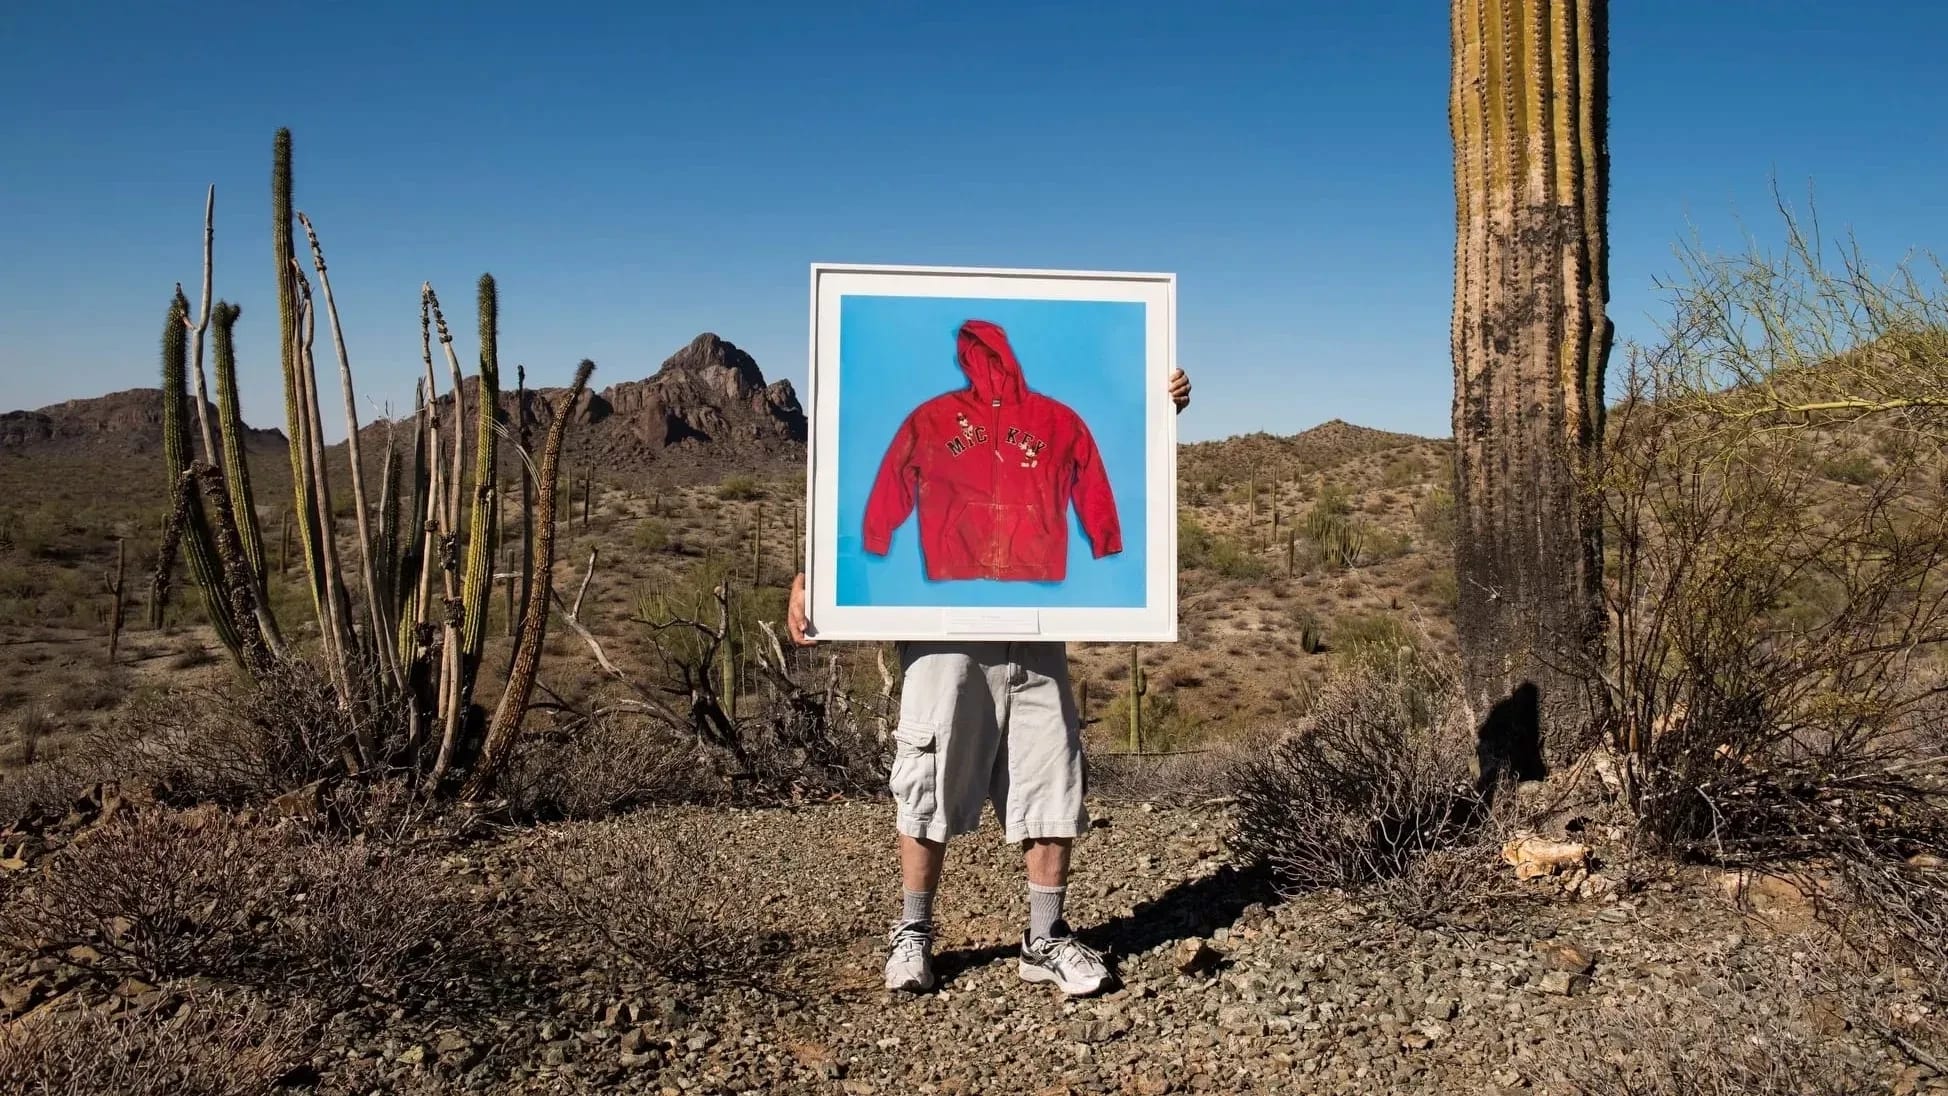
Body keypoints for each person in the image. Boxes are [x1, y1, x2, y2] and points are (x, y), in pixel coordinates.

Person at [786, 365, 1192, 997]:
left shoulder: (1057, 417)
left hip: (1038, 615)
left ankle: (1045, 937)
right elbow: (864, 467)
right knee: (928, 770)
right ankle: (914, 931)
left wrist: (1151, 408)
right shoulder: (930, 414)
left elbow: (1111, 452)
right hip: (942, 614)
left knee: (1050, 771)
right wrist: (825, 577)